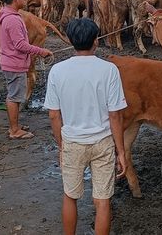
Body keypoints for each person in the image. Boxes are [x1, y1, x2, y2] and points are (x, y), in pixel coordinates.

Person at [44, 18, 127, 235]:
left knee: (70, 196)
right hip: (103, 142)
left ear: (71, 41)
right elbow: (115, 115)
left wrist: (62, 146)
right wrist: (121, 151)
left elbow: (54, 115)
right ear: (96, 41)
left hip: (72, 141)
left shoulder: (57, 71)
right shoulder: (109, 70)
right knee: (102, 200)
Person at [0, 0, 53, 139]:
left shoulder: (6, 15)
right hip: (14, 63)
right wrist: (41, 51)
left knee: (14, 95)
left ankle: (15, 125)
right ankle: (14, 130)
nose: (25, 0)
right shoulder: (13, 20)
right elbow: (20, 44)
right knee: (14, 97)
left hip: (11, 61)